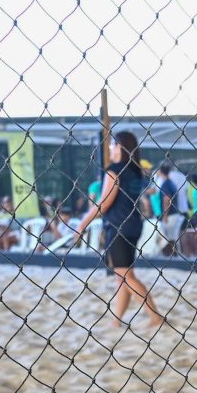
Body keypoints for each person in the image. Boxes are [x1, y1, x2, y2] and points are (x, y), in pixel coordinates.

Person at [75, 130, 164, 328]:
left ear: (120, 147)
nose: (110, 148)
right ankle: (117, 321)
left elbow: (104, 203)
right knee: (122, 275)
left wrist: (82, 224)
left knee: (126, 276)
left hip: (119, 226)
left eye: (113, 145)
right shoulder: (134, 171)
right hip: (133, 225)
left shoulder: (114, 170)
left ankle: (156, 317)